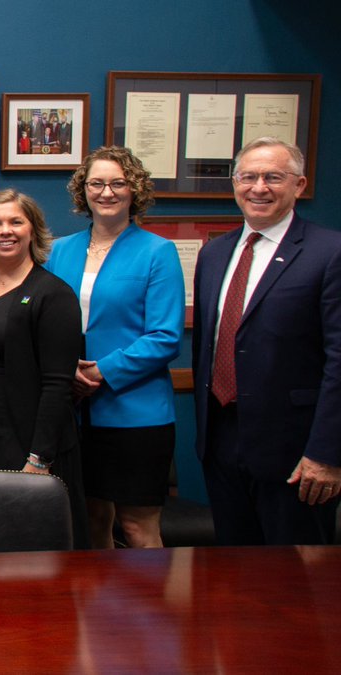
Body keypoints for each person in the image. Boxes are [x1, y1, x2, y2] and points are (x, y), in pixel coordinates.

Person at [192, 137, 341, 545]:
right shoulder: (215, 254)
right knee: (235, 574)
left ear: (300, 184)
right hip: (222, 440)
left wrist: (327, 454)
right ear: (234, 184)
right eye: (249, 177)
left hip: (296, 452)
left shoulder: (329, 252)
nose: (259, 187)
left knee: (298, 583)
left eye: (274, 177)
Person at [46, 147, 183, 549]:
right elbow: (48, 321)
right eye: (96, 183)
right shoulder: (60, 250)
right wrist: (67, 368)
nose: (106, 192)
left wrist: (100, 371)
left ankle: (149, 613)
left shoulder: (158, 252)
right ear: (82, 191)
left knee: (137, 527)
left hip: (134, 411)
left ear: (134, 188)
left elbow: (166, 336)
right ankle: (97, 615)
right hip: (73, 408)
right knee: (89, 519)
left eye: (117, 183)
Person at [0, 188, 87, 547]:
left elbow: (58, 385)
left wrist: (39, 458)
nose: (5, 230)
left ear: (33, 229)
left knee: (28, 553)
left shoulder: (52, 294)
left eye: (16, 221)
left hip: (26, 445)